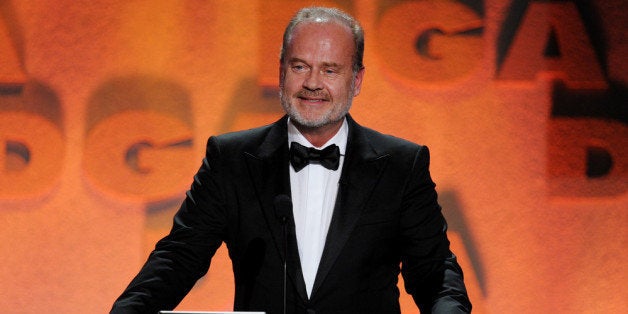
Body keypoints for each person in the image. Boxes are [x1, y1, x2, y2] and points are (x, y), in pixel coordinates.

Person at [111, 6, 472, 314]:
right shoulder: (232, 159)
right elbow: (179, 258)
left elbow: (434, 273)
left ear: (357, 79)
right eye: (300, 67)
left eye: (330, 70)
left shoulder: (401, 165)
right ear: (282, 70)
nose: (313, 83)